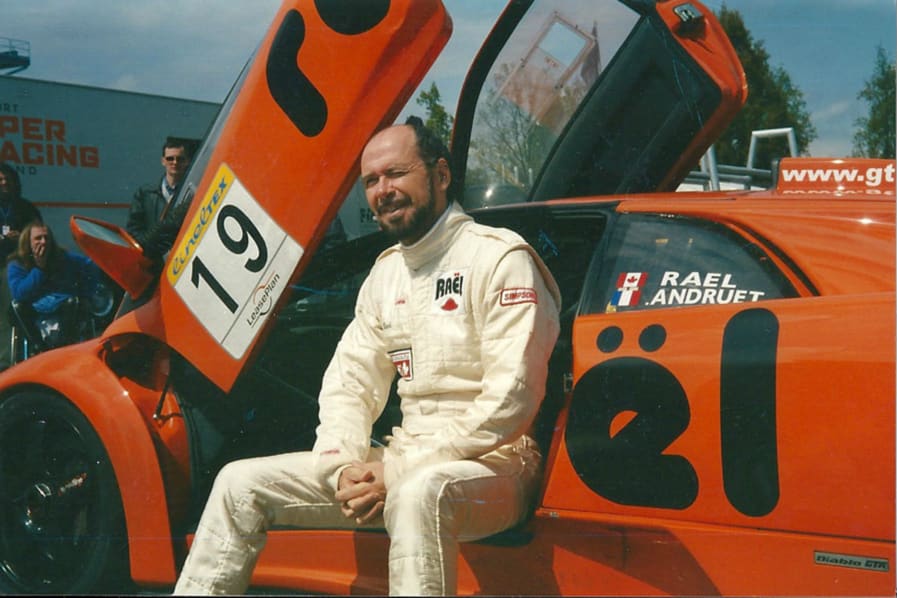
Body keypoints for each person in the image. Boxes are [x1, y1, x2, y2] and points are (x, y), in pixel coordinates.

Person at [174, 117, 562, 596]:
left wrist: (395, 472)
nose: (383, 191)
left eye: (396, 173)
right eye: (371, 181)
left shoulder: (501, 259)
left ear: (441, 175)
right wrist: (342, 468)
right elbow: (349, 384)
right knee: (238, 484)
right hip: (404, 459)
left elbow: (510, 402)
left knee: (418, 493)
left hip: (497, 464)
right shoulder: (385, 276)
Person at [7, 221, 102, 349]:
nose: (43, 242)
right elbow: (19, 294)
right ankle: (38, 348)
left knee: (74, 302)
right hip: (34, 309)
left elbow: (90, 266)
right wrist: (39, 269)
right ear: (28, 242)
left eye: (46, 238)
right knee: (16, 307)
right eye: (38, 238)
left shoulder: (62, 257)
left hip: (62, 306)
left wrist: (86, 293)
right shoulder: (17, 263)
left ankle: (63, 345)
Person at [0, 163, 42, 366]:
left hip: (16, 267)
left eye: (8, 179)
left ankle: (7, 361)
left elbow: (40, 235)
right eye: (0, 180)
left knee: (9, 313)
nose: (4, 183)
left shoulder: (26, 208)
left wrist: (22, 238)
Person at [125, 138, 191, 245]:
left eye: (180, 159)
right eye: (170, 159)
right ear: (163, 161)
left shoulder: (194, 194)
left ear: (187, 161)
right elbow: (134, 230)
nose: (175, 162)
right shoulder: (145, 194)